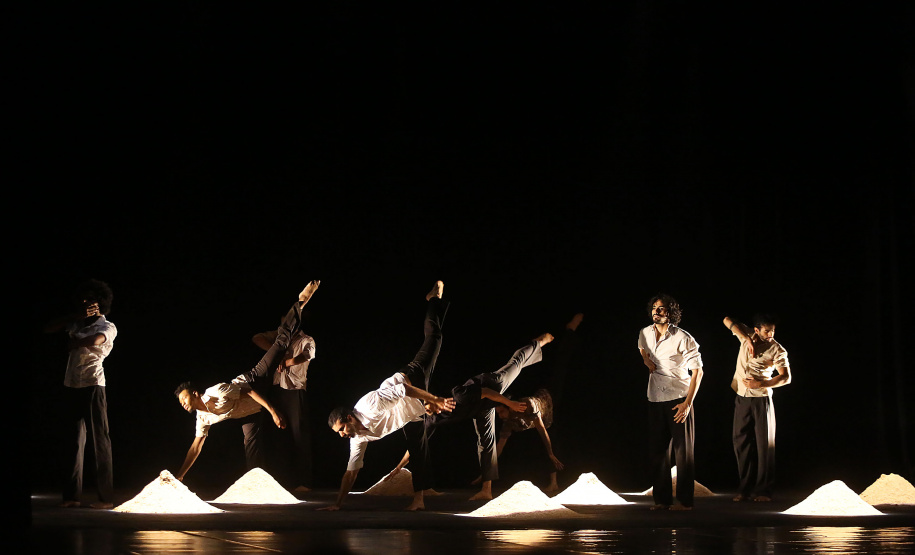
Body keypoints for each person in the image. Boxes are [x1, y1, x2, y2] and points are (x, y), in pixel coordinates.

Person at [322, 281, 453, 511]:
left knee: (435, 339)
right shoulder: (357, 439)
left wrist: (433, 399)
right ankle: (419, 500)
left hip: (412, 377)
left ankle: (433, 299)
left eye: (341, 428)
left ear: (349, 418)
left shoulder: (368, 406)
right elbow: (350, 474)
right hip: (409, 413)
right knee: (418, 449)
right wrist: (337, 505)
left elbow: (403, 389)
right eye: (339, 433)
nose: (342, 435)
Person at [172, 279, 319, 481]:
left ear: (195, 393)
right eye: (180, 402)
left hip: (254, 380)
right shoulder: (202, 418)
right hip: (248, 410)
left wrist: (274, 412)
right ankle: (257, 483)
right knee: (251, 442)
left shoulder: (216, 391)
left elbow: (249, 390)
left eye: (183, 398)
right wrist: (180, 476)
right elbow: (196, 446)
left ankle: (301, 301)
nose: (182, 403)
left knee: (281, 341)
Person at [423, 332, 554, 500]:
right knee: (486, 444)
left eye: (431, 407)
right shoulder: (435, 418)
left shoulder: (458, 395)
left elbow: (485, 392)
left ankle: (539, 342)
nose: (433, 412)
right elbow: (419, 441)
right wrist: (399, 466)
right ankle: (487, 490)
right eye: (429, 411)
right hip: (482, 409)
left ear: (436, 401)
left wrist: (510, 403)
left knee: (516, 362)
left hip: (493, 385)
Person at [44, 279, 118, 509]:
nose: (85, 304)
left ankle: (105, 497)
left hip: (94, 385)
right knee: (74, 442)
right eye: (83, 301)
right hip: (72, 385)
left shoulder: (107, 326)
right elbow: (47, 327)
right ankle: (71, 496)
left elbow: (96, 340)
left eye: (90, 301)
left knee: (100, 441)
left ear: (100, 305)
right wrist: (73, 316)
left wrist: (75, 343)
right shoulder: (77, 324)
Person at [638, 294, 704, 510]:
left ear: (671, 312)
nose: (657, 312)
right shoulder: (645, 333)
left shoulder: (683, 337)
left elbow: (698, 372)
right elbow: (641, 347)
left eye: (662, 308)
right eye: (655, 308)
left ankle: (685, 502)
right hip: (655, 397)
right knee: (658, 452)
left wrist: (688, 403)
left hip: (679, 398)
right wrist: (646, 359)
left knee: (683, 453)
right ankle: (662, 501)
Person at [723, 313, 791, 502]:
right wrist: (746, 339)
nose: (771, 334)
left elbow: (786, 377)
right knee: (741, 442)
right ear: (757, 330)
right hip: (741, 398)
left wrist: (761, 384)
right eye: (767, 331)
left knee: (764, 446)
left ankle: (763, 491)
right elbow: (727, 320)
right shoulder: (746, 335)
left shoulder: (777, 350)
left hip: (761, 399)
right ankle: (744, 489)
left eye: (773, 331)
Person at [251, 320, 316, 493]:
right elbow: (257, 338)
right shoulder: (280, 336)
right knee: (279, 436)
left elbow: (305, 356)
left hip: (295, 390)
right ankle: (283, 481)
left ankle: (304, 481)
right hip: (277, 389)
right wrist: (276, 354)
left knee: (299, 435)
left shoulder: (306, 339)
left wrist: (286, 361)